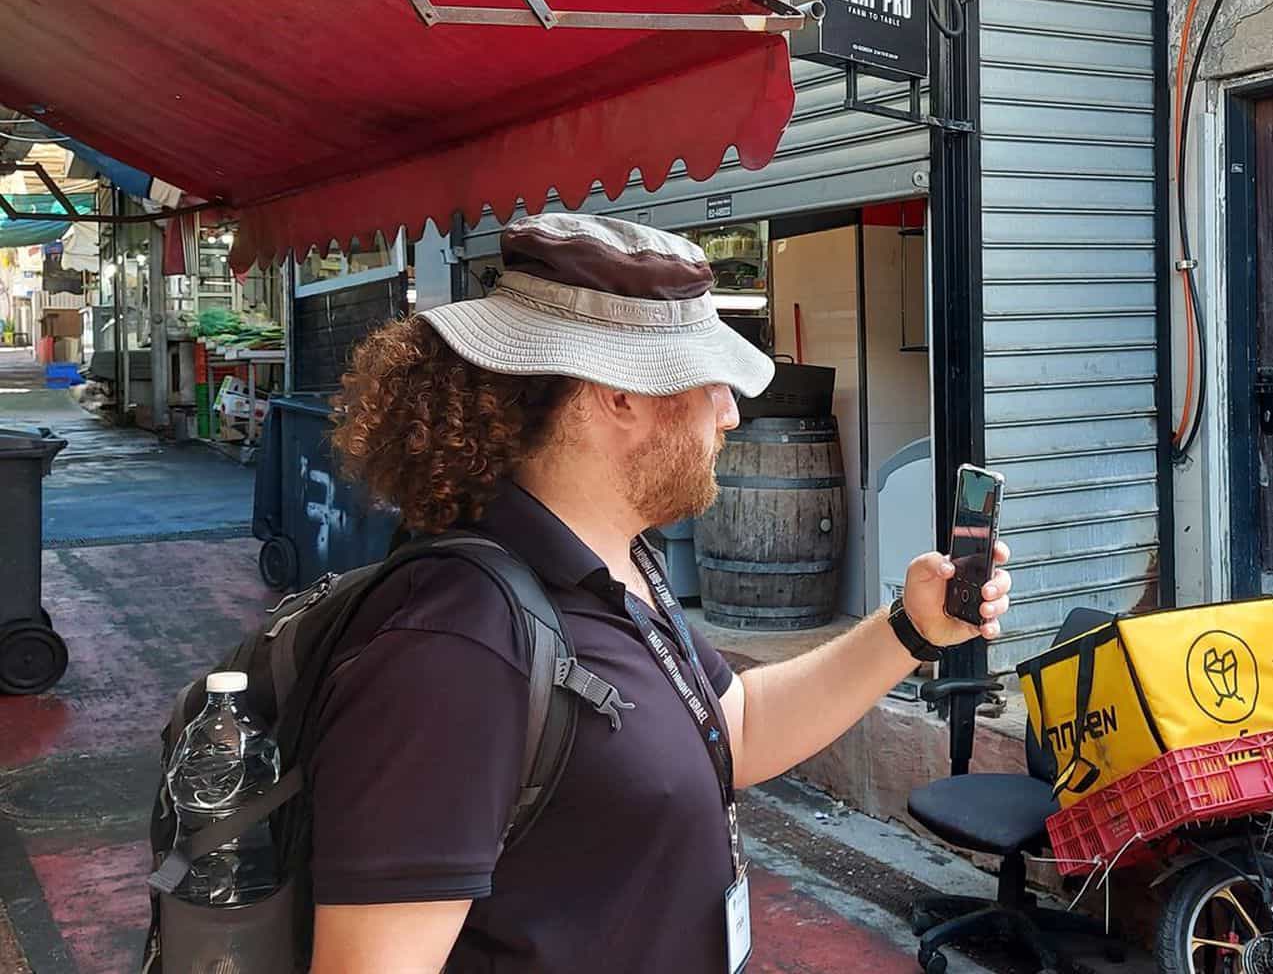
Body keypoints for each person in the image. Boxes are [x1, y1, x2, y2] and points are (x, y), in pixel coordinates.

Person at [307, 212, 1011, 973]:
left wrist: (909, 629)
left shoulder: (617, 560)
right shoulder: (456, 651)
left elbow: (734, 731)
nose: (732, 414)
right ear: (620, 395)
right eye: (709, 384)